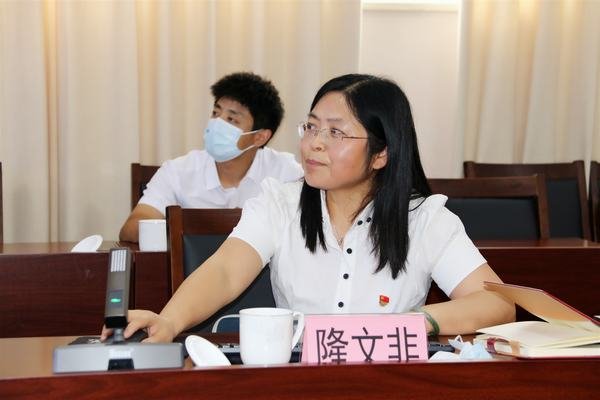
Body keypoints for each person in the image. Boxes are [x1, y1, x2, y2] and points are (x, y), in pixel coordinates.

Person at [104, 74, 514, 342]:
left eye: (336, 133)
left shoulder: (424, 218)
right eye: (312, 126)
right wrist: (170, 320)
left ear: (381, 154)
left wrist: (415, 321)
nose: (314, 143)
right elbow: (226, 270)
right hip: (299, 377)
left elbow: (496, 303)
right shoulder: (279, 202)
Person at [119, 72, 304, 242]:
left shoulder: (286, 173)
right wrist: (184, 232)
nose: (217, 123)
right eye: (216, 113)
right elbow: (131, 229)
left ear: (260, 137)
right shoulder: (178, 171)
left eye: (232, 119)